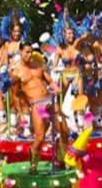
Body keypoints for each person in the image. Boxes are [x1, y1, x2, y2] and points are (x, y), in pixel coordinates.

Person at [12, 43, 68, 174]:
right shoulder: (16, 72)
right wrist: (20, 112)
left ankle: (60, 159)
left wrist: (56, 88)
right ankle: (33, 164)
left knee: (64, 130)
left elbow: (50, 81)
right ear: (20, 52)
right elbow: (15, 95)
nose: (29, 55)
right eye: (27, 52)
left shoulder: (38, 66)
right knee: (40, 137)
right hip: (38, 106)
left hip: (50, 102)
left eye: (31, 52)